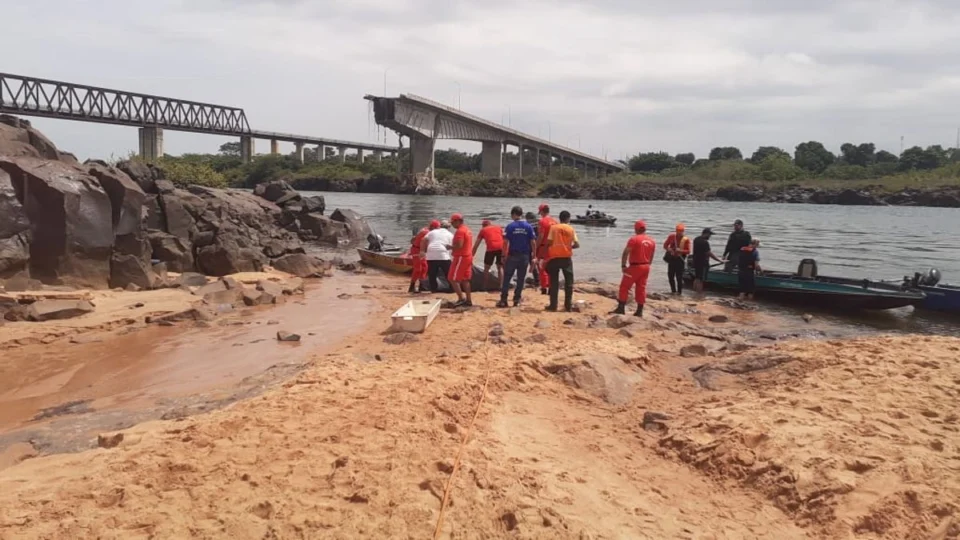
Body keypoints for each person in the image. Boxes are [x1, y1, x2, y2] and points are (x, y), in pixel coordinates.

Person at [610, 220, 656, 317]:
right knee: (641, 288)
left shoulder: (634, 239)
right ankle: (639, 310)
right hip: (646, 266)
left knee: (624, 287)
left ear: (636, 229)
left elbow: (626, 252)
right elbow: (652, 255)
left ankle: (621, 308)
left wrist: (623, 265)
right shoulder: (652, 241)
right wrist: (648, 264)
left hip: (635, 266)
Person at [498, 206, 538, 308]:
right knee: (521, 278)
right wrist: (534, 255)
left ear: (513, 214)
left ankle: (503, 300)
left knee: (507, 277)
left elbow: (505, 242)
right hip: (524, 256)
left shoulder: (510, 226)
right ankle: (517, 300)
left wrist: (503, 255)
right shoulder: (528, 226)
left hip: (512, 255)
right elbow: (533, 242)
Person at [545, 210, 579, 311]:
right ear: (568, 218)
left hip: (554, 257)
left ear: (560, 218)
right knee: (569, 282)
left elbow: (549, 242)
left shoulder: (553, 228)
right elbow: (577, 244)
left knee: (554, 282)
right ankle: (568, 306)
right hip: (566, 258)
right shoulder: (570, 229)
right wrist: (568, 247)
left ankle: (553, 306)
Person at [447, 213, 474, 307]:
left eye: (453, 222)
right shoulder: (467, 230)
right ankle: (468, 300)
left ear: (458, 221)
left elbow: (459, 245)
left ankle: (461, 298)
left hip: (461, 257)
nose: (452, 225)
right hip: (467, 256)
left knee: (452, 278)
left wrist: (450, 247)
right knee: (465, 279)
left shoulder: (460, 231)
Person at [421, 220, 453, 293]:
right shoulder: (450, 234)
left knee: (432, 274)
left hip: (431, 254)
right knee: (448, 273)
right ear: (448, 228)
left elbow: (423, 240)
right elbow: (454, 245)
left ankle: (433, 289)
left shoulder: (432, 232)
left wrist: (422, 251)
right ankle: (452, 289)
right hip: (443, 255)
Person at [473, 219, 504, 289]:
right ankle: (501, 286)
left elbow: (476, 245)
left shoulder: (483, 230)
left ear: (483, 226)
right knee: (500, 267)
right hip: (501, 248)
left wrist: (471, 256)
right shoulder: (498, 228)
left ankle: (484, 286)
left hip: (491, 249)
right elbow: (504, 239)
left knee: (486, 268)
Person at [692, 228, 724, 294]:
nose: (710, 236)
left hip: (696, 261)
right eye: (709, 235)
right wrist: (719, 260)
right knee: (701, 280)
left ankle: (694, 293)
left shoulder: (696, 239)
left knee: (697, 278)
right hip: (703, 263)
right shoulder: (705, 242)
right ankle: (699, 294)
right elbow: (709, 253)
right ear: (706, 234)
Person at [663, 223, 692, 295]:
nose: (679, 232)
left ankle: (679, 292)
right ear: (676, 230)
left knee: (679, 277)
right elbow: (665, 245)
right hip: (672, 259)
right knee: (670, 276)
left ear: (683, 231)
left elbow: (688, 251)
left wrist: (680, 251)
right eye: (678, 230)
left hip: (680, 260)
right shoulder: (671, 237)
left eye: (681, 231)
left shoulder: (686, 239)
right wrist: (669, 250)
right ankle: (673, 291)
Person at [536, 204, 557, 295]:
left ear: (541, 211)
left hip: (543, 247)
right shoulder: (555, 221)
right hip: (553, 247)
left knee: (542, 267)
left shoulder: (542, 221)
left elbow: (540, 236)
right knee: (551, 268)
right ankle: (551, 287)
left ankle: (544, 288)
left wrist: (536, 246)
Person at [408, 224, 430, 293]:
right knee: (418, 269)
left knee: (424, 268)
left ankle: (422, 286)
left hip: (421, 250)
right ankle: (411, 287)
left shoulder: (425, 230)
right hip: (417, 250)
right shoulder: (426, 232)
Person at [525, 212, 541, 288]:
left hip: (531, 245)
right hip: (540, 244)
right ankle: (543, 279)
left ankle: (537, 280)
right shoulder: (539, 222)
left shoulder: (527, 224)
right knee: (540, 262)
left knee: (532, 262)